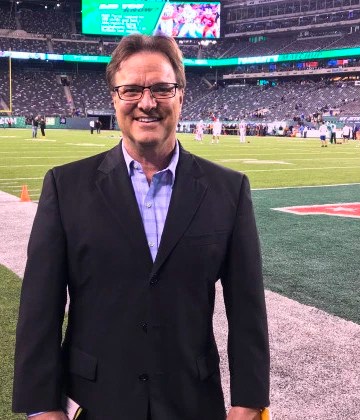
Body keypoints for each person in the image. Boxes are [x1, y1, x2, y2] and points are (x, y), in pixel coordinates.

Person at [13, 34, 270, 420]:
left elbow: (248, 309)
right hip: (95, 403)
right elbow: (40, 308)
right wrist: (41, 409)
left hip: (193, 403)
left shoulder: (228, 190)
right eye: (131, 89)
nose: (146, 103)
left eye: (162, 88)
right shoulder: (65, 187)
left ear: (181, 96)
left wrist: (248, 403)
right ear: (114, 99)